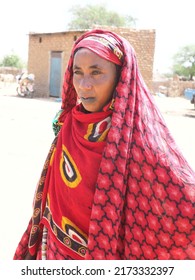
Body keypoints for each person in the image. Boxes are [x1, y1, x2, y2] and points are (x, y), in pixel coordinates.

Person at [14, 29, 195, 260]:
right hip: (54, 252)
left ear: (120, 77)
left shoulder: (139, 140)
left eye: (96, 72)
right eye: (77, 73)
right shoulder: (70, 123)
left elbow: (181, 198)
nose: (84, 84)